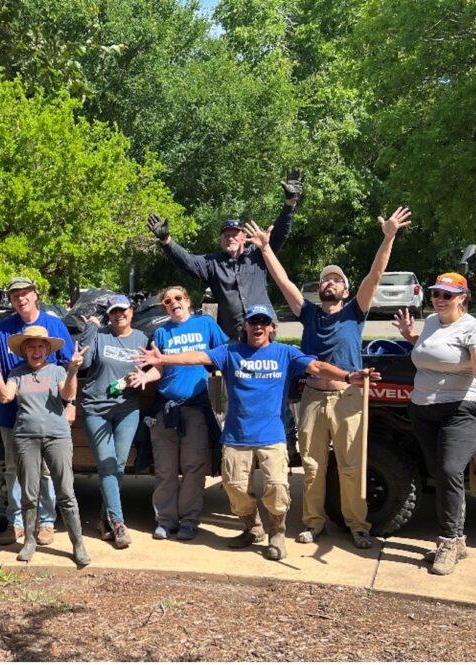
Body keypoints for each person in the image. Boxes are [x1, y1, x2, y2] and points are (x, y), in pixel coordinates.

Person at [136, 305, 379, 561]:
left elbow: (317, 367)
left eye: (264, 321)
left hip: (271, 436)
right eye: (253, 321)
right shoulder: (230, 352)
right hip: (236, 436)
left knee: (277, 488)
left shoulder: (284, 353)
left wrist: (348, 375)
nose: (258, 326)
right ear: (246, 327)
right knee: (235, 489)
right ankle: (252, 528)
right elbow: (197, 357)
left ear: (272, 328)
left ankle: (276, 531)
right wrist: (163, 359)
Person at [245, 206, 412, 549]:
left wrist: (389, 237)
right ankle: (313, 523)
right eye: (325, 279)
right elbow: (283, 281)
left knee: (351, 466)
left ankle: (358, 525)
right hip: (312, 397)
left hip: (348, 397)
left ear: (346, 289)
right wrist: (265, 248)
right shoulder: (308, 314)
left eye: (337, 280)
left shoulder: (355, 312)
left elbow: (375, 275)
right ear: (318, 288)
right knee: (311, 466)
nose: (330, 283)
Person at [394, 273, 476, 575]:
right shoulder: (431, 322)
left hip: (465, 409)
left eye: (447, 295)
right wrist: (409, 336)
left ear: (462, 297)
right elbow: (432, 352)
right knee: (442, 474)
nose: (439, 299)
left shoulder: (474, 328)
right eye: (436, 294)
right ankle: (457, 536)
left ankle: (449, 541)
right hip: (424, 410)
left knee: (448, 468)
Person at [0, 278, 72, 547]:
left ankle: (45, 522)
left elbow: (71, 365)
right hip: (11, 413)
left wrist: (71, 404)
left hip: (47, 415)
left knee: (43, 471)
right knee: (12, 469)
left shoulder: (54, 325)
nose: (21, 299)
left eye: (25, 293)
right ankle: (16, 522)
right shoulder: (4, 329)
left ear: (35, 295)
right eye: (15, 295)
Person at [146, 169, 303, 340]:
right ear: (220, 241)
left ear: (244, 237)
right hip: (234, 336)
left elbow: (280, 233)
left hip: (265, 330)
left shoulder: (259, 254)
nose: (230, 238)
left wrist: (290, 203)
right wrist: (166, 240)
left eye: (235, 234)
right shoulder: (211, 263)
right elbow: (186, 261)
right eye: (226, 235)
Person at [0, 327, 91, 566]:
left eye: (41, 346)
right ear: (24, 350)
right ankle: (29, 542)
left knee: (66, 493)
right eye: (31, 346)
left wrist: (73, 370)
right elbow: (5, 397)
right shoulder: (17, 372)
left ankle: (78, 544)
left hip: (57, 437)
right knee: (29, 494)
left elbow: (67, 393)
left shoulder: (56, 370)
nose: (36, 351)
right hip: (26, 438)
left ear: (47, 349)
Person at [130, 285, 227, 541]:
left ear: (187, 300)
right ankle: (165, 520)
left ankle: (189, 520)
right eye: (167, 301)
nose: (173, 303)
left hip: (195, 407)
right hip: (164, 410)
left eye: (178, 298)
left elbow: (223, 355)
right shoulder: (161, 333)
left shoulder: (205, 325)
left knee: (193, 468)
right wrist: (145, 375)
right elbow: (158, 369)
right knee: (165, 469)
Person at [78, 294, 149, 548]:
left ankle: (104, 519)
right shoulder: (99, 335)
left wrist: (142, 375)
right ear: (108, 315)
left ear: (131, 311)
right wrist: (89, 329)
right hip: (95, 409)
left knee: (118, 465)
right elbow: (84, 363)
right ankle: (119, 523)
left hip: (127, 408)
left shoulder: (141, 338)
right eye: (113, 312)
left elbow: (151, 365)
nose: (119, 315)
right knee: (107, 465)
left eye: (123, 310)